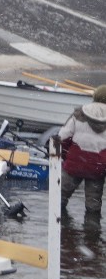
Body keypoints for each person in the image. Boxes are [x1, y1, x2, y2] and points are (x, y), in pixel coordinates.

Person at [57, 84, 106, 229]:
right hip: (97, 169)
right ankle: (92, 239)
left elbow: (62, 137)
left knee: (59, 199)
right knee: (93, 207)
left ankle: (63, 232)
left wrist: (66, 157)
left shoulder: (79, 114)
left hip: (74, 164)